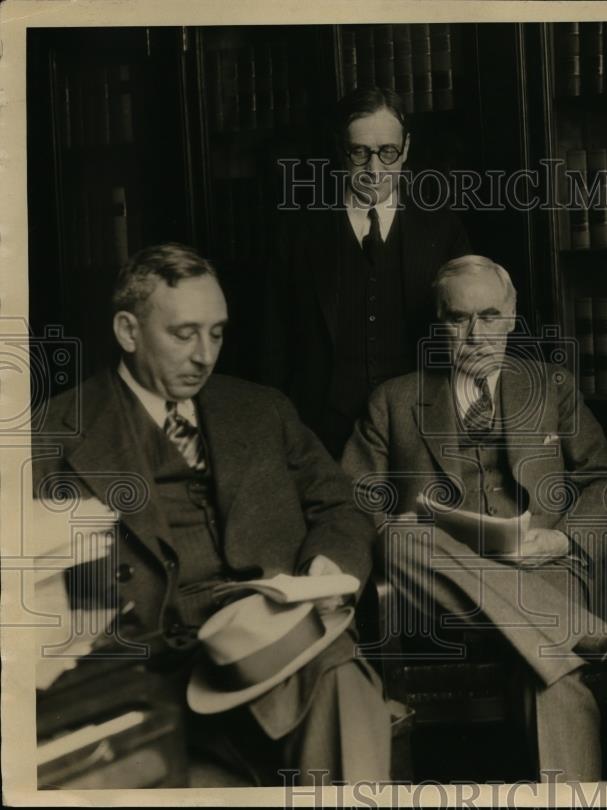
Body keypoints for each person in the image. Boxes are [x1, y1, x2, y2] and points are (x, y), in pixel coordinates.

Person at [31, 243, 391, 786]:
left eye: (217, 333)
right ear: (128, 332)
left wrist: (327, 570)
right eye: (184, 334)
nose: (205, 355)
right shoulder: (54, 431)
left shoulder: (261, 409)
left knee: (339, 671)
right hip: (145, 662)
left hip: (266, 642)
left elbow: (339, 504)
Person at [341, 255, 607, 782]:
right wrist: (396, 529)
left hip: (542, 568)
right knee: (402, 538)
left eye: (491, 316)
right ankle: (579, 633)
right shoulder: (393, 399)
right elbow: (352, 502)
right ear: (439, 320)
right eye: (459, 319)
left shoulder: (552, 387)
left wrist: (562, 542)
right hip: (436, 586)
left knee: (550, 672)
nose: (476, 334)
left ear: (513, 316)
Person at [266, 86, 471, 457]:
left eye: (388, 152)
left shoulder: (442, 229)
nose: (374, 170)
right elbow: (274, 348)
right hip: (319, 435)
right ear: (340, 149)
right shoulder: (297, 232)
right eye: (360, 153)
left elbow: (467, 339)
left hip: (420, 435)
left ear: (406, 148)